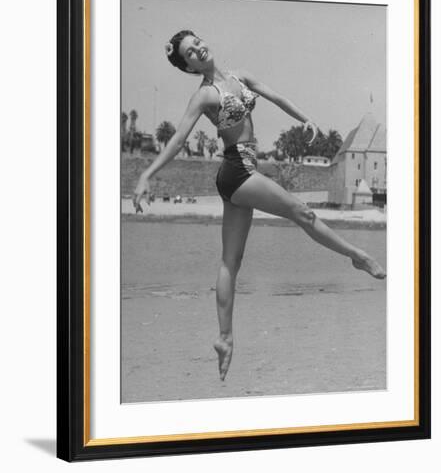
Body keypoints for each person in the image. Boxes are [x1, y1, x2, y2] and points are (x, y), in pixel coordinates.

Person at [133, 29, 386, 382]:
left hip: (245, 169)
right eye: (190, 53)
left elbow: (276, 96)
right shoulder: (205, 95)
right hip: (237, 171)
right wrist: (147, 175)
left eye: (197, 42)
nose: (199, 50)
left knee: (230, 261)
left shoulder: (240, 77)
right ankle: (357, 256)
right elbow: (177, 141)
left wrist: (305, 118)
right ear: (188, 66)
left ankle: (224, 338)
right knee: (304, 212)